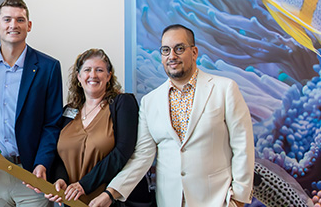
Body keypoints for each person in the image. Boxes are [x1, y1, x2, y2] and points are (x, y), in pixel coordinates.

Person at [89, 24, 254, 207]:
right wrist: (110, 194)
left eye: (179, 48)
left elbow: (242, 145)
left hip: (217, 200)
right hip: (169, 201)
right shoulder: (150, 102)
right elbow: (143, 156)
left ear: (194, 52)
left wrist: (239, 198)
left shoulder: (225, 89)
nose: (172, 56)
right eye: (165, 50)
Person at [0, 0, 63, 206]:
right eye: (7, 19)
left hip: (32, 174)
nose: (13, 25)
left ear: (29, 25)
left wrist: (43, 162)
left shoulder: (48, 67)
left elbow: (52, 123)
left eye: (20, 20)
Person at [36, 49, 152, 206]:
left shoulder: (123, 103)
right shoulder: (68, 112)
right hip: (74, 200)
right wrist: (61, 179)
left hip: (111, 200)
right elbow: (60, 155)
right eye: (87, 70)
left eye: (99, 70)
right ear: (78, 77)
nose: (93, 75)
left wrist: (84, 185)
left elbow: (123, 152)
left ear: (108, 76)